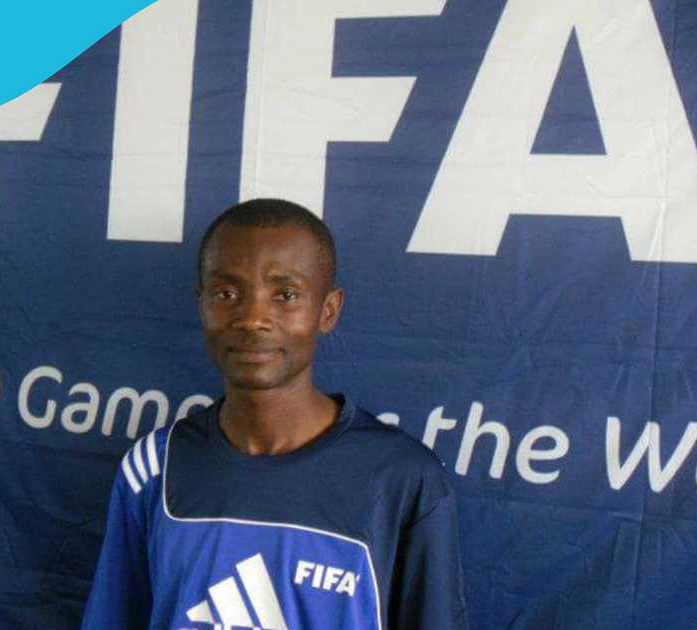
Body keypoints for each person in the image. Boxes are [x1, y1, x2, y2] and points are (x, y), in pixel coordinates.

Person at [81, 198, 469, 630]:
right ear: (202, 303)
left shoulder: (402, 478)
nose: (252, 319)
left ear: (328, 310)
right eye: (227, 294)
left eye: (285, 295)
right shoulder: (155, 467)